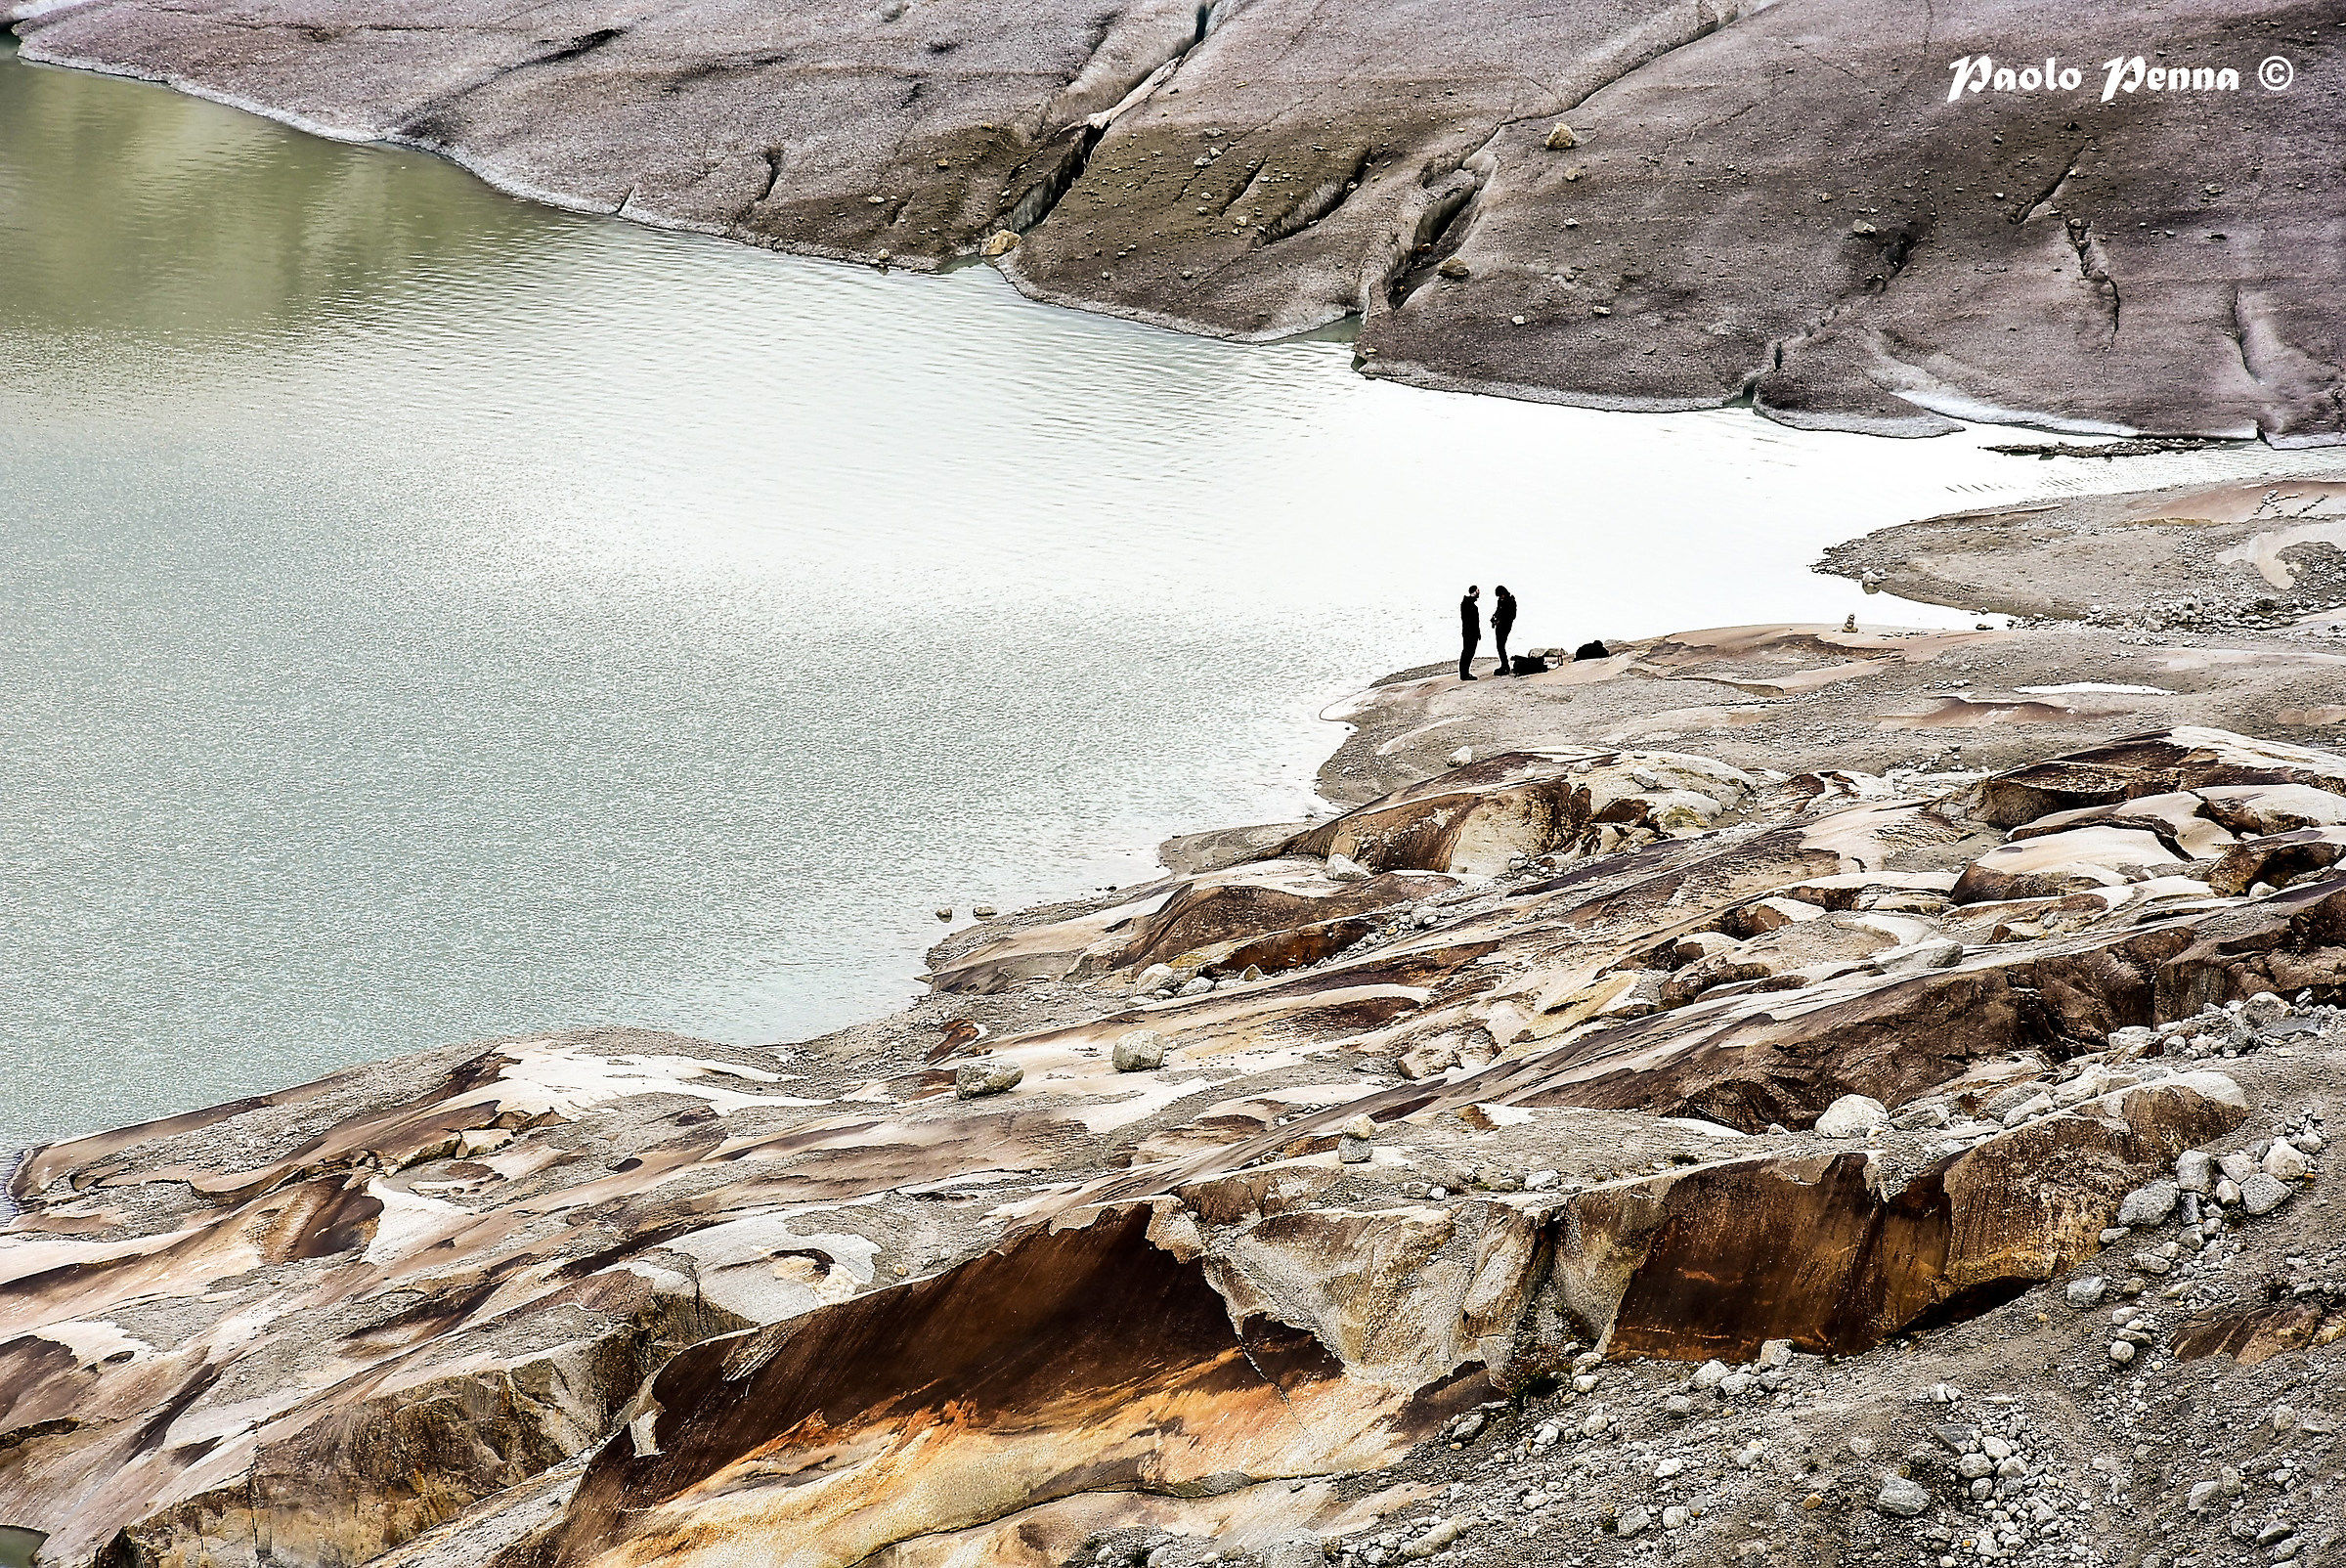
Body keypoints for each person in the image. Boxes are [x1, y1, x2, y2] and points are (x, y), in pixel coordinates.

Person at [1492, 585, 1517, 675]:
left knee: (1501, 646)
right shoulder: (1500, 601)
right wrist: (1494, 617)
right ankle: (1504, 665)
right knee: (1500, 646)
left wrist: (1500, 620)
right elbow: (1498, 610)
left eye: (1500, 595)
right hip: (1499, 626)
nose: (1500, 597)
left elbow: (1512, 616)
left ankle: (1505, 666)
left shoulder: (1510, 601)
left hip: (1505, 626)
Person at [1457, 586, 1481, 680]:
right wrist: (1475, 632)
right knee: (1467, 652)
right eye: (1478, 591)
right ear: (1474, 592)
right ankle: (1464, 674)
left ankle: (1465, 673)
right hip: (1469, 633)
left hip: (1470, 632)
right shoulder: (1468, 604)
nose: (1479, 593)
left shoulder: (1468, 604)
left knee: (1468, 652)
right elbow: (1470, 621)